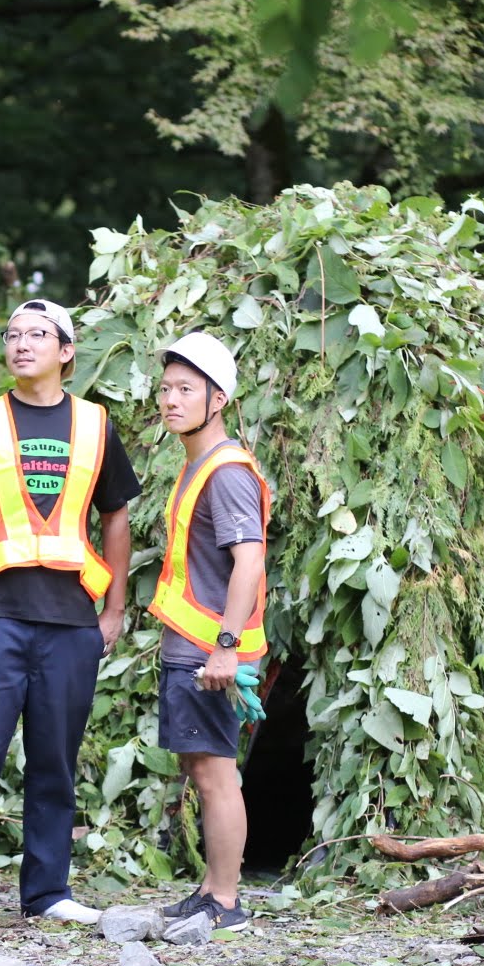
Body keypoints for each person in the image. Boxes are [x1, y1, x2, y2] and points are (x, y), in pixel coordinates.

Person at [0, 298, 141, 934]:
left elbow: (116, 516)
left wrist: (115, 608)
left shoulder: (98, 426)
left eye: (38, 334)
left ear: (67, 352)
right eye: (13, 334)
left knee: (55, 759)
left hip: (71, 621)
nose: (21, 344)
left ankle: (47, 891)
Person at [149, 331, 270, 932]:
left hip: (209, 652)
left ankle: (226, 901)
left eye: (185, 390)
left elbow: (248, 561)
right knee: (202, 769)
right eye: (166, 388)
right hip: (193, 647)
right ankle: (211, 891)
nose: (170, 400)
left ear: (217, 399)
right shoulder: (199, 464)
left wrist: (224, 648)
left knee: (217, 772)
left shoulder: (225, 473)